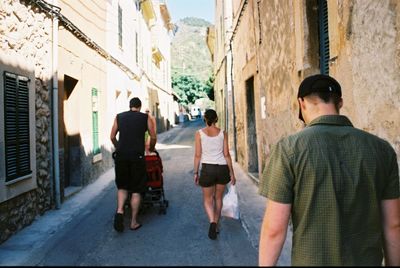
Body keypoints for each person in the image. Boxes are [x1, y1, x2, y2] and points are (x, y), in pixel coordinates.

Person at [258, 74, 400, 266]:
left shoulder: (289, 149)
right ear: (340, 102)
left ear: (301, 103)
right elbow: (393, 225)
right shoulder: (382, 150)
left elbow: (274, 230)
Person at [110, 97, 157, 232]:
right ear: (140, 107)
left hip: (121, 156)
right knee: (136, 189)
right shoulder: (145, 117)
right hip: (137, 156)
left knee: (123, 187)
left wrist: (119, 147)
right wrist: (152, 148)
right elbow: (152, 136)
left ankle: (119, 211)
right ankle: (133, 222)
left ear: (130, 106)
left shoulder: (119, 117)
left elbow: (112, 136)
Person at [193, 109, 236, 240]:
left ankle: (212, 222)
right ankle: (216, 225)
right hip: (222, 169)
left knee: (207, 200)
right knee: (218, 198)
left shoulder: (199, 133)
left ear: (205, 119)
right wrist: (232, 173)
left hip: (207, 169)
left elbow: (197, 155)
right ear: (216, 119)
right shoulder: (223, 133)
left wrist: (195, 172)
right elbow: (226, 154)